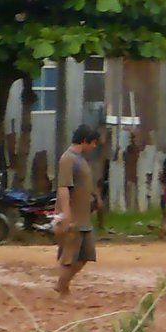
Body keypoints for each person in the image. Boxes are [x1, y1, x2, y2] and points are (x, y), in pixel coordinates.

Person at [54, 124, 100, 297]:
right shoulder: (68, 159)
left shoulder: (81, 159)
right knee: (69, 256)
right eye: (93, 142)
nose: (94, 146)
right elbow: (63, 187)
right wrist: (66, 214)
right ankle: (62, 288)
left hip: (84, 217)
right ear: (85, 141)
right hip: (73, 217)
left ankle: (62, 285)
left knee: (86, 255)